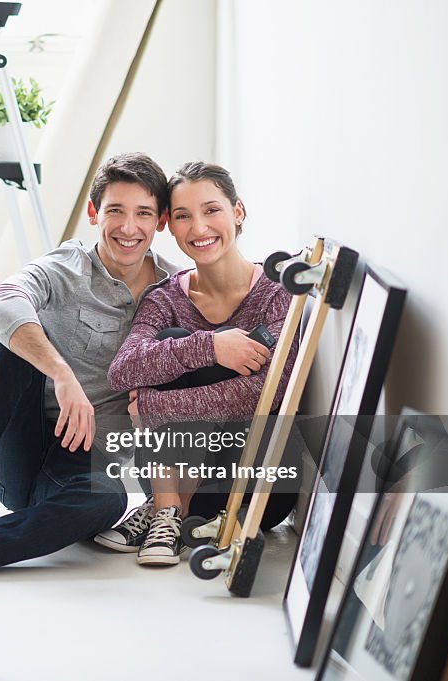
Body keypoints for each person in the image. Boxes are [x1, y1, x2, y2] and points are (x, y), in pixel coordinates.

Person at [0, 152, 179, 574]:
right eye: (115, 211)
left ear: (159, 221)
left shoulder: (175, 290)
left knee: (109, 500)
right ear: (93, 213)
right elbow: (2, 300)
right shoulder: (64, 268)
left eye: (143, 214)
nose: (128, 227)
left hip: (78, 468)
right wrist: (61, 374)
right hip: (19, 447)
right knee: (12, 343)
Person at [96, 161, 298, 566]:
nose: (199, 228)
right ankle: (169, 511)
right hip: (178, 461)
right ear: (170, 226)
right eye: (184, 216)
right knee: (168, 344)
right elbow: (123, 369)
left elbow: (270, 390)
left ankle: (164, 512)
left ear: (237, 212)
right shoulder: (165, 297)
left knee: (167, 352)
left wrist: (155, 407)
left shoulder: (278, 295)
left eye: (211, 210)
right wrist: (210, 346)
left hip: (254, 470)